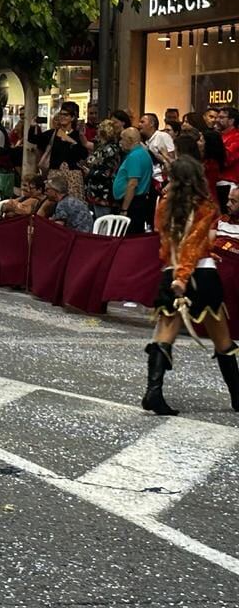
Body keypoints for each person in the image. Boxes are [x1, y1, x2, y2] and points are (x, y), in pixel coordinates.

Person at [144, 156, 238, 416]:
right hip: (200, 275)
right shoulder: (205, 206)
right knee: (222, 339)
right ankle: (238, 396)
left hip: (171, 272)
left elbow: (168, 244)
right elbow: (193, 245)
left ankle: (153, 392)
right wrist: (184, 277)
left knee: (163, 335)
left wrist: (177, 273)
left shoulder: (164, 205)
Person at [113, 127, 153, 235]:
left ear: (130, 140)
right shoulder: (143, 153)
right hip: (138, 201)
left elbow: (132, 184)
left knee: (129, 235)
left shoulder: (134, 156)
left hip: (132, 204)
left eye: (122, 139)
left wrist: (124, 209)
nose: (120, 142)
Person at [82, 119, 122, 220]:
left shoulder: (110, 149)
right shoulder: (102, 147)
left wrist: (90, 172)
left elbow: (108, 172)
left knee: (103, 221)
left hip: (103, 192)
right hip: (95, 191)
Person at [216, 107, 239, 208]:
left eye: (221, 117)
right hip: (216, 183)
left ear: (231, 120)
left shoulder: (236, 137)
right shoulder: (219, 136)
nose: (217, 120)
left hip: (228, 185)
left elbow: (226, 160)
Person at [213, 185, 239, 252]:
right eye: (228, 200)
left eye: (233, 201)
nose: (227, 204)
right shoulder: (221, 220)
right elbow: (208, 245)